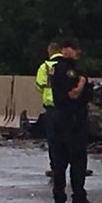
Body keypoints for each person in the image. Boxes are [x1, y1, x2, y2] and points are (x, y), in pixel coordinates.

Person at [49, 37, 100, 203]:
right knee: (77, 160)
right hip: (72, 119)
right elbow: (74, 94)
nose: (76, 52)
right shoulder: (69, 70)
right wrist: (83, 82)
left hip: (59, 118)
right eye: (73, 49)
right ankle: (78, 198)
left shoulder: (55, 68)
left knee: (60, 161)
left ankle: (59, 198)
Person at [35, 43, 63, 178]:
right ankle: (76, 167)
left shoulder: (44, 67)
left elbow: (39, 85)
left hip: (51, 109)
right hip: (67, 108)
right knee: (70, 139)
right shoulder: (67, 65)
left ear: (49, 51)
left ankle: (56, 168)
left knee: (53, 140)